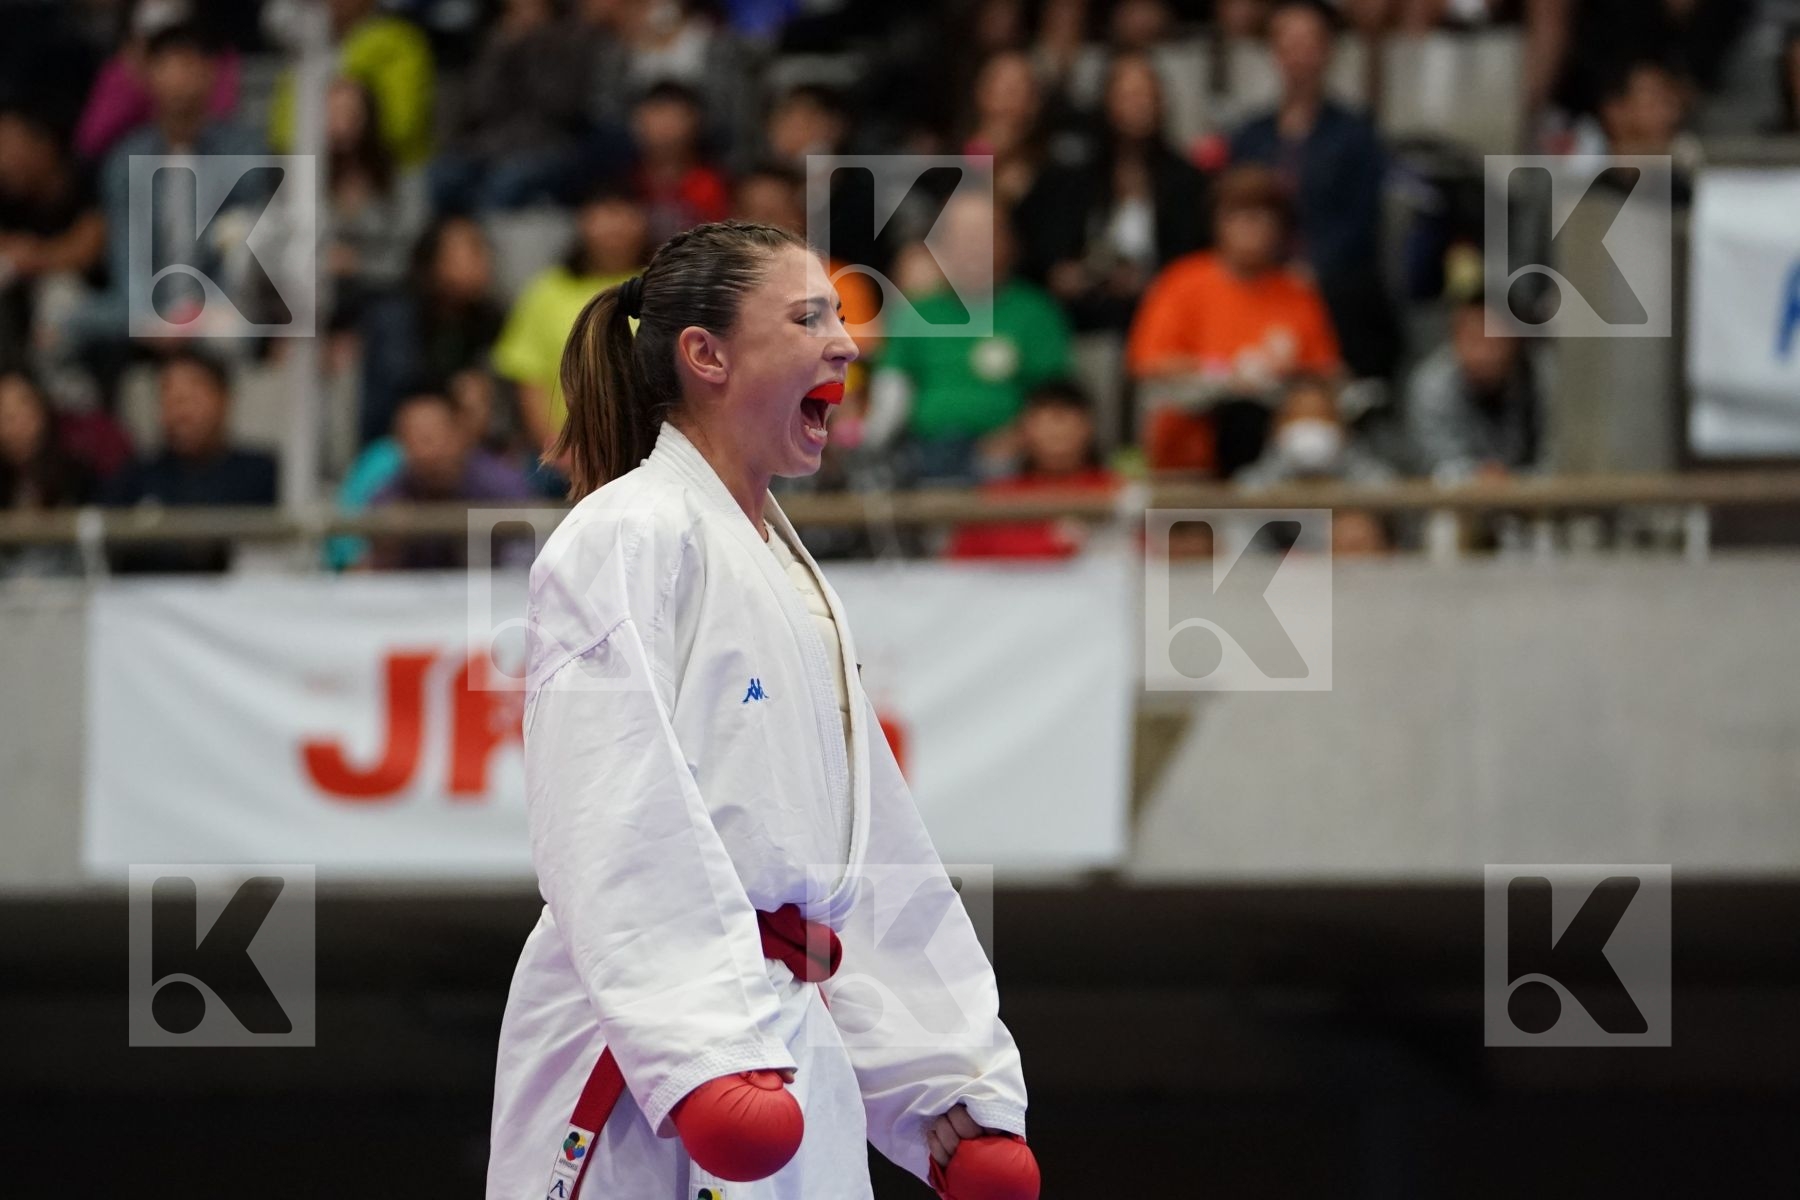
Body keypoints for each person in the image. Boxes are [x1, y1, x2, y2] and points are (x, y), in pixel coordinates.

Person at [487, 221, 1035, 1199]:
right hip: (650, 1056)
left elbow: (859, 853)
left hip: (787, 1036)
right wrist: (698, 1045)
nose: (847, 342)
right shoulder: (625, 531)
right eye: (809, 316)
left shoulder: (790, 577)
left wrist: (945, 1085)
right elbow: (609, 801)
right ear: (708, 355)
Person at [1126, 164, 1341, 477]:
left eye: (1263, 216)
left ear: (1281, 227)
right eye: (1238, 216)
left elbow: (1324, 372)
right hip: (1193, 442)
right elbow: (1148, 363)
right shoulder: (1182, 282)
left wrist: (1278, 378)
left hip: (1276, 452)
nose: (1251, 227)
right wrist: (1224, 372)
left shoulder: (1296, 292)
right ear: (1217, 223)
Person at [1229, 0, 1399, 379]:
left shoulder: (1355, 133)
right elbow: (1234, 209)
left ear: (1328, 50)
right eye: (1287, 42)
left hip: (1336, 284)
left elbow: (1362, 219)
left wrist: (1312, 268)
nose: (1298, 54)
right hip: (1261, 280)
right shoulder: (1250, 137)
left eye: (1308, 41)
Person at [100, 350, 277, 573]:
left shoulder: (261, 474)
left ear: (224, 399)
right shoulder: (135, 477)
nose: (181, 411)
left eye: (193, 396)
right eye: (170, 397)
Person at [1404, 297, 1539, 481]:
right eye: (1473, 339)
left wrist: (1512, 480)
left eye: (1494, 340)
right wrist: (1478, 476)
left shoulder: (1542, 376)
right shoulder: (1431, 384)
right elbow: (1435, 462)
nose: (1483, 354)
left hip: (1534, 494)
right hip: (1459, 496)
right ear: (1454, 339)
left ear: (1515, 340)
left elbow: (1560, 456)